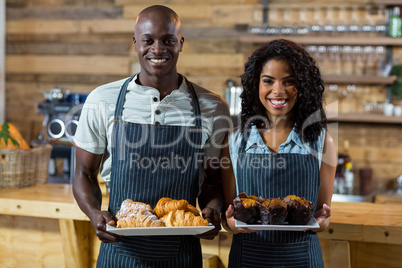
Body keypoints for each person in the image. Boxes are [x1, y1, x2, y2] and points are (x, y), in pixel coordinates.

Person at [72, 5, 230, 268]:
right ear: (135, 43)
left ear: (181, 43)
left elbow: (213, 180)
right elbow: (83, 173)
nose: (157, 49)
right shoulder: (102, 100)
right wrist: (94, 213)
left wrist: (212, 209)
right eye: (148, 40)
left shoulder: (213, 107)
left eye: (168, 40)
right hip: (119, 252)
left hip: (183, 255)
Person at [221, 39, 337, 267]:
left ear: (302, 86)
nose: (278, 91)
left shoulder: (323, 143)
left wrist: (323, 222)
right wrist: (230, 224)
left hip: (302, 259)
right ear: (256, 85)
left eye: (289, 82)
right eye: (268, 81)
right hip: (248, 259)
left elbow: (323, 214)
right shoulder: (234, 142)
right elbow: (229, 216)